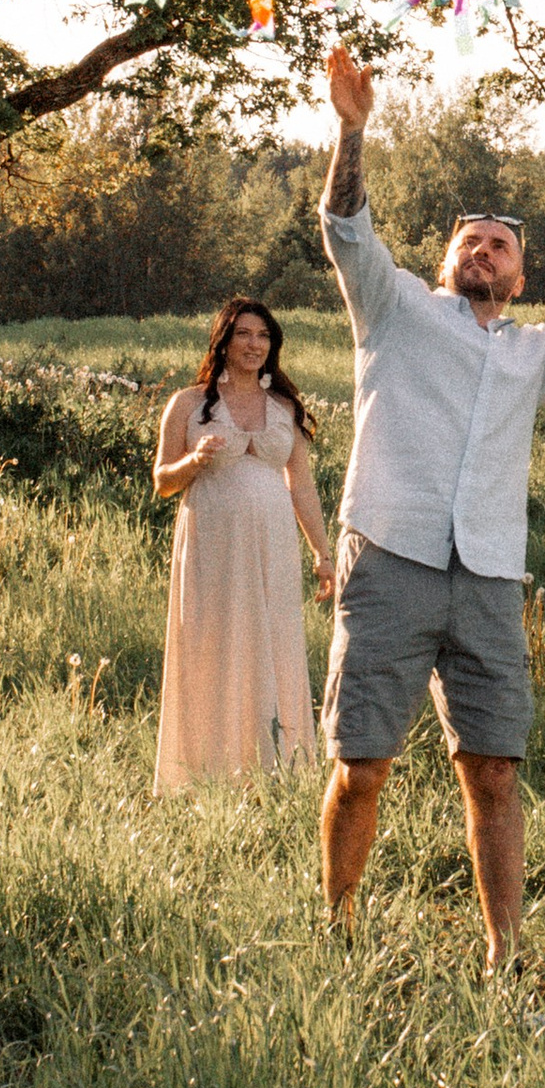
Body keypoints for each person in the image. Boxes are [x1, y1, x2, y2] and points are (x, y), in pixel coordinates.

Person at [315, 44, 545, 973]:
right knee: (362, 765)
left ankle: (503, 954)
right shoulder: (393, 311)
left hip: (487, 580)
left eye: (501, 245)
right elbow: (346, 228)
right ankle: (339, 930)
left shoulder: (534, 352)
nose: (483, 250)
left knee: (495, 770)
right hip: (390, 557)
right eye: (470, 240)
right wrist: (352, 131)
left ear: (519, 276)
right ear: (446, 262)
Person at [152, 298, 336, 795]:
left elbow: (302, 486)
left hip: (273, 544)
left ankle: (272, 769)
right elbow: (163, 482)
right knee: (213, 641)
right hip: (211, 541)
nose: (255, 344)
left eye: (264, 336)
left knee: (271, 642)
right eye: (244, 334)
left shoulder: (283, 409)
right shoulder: (188, 403)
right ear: (224, 340)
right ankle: (204, 772)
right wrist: (193, 461)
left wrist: (323, 555)